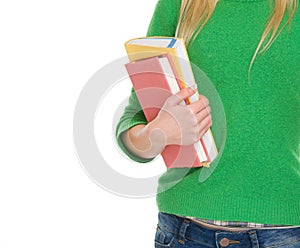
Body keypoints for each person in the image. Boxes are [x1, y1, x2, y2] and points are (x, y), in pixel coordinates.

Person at [115, 0, 300, 247]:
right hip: (183, 232)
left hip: (284, 234)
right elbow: (133, 126)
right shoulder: (179, 5)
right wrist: (161, 131)